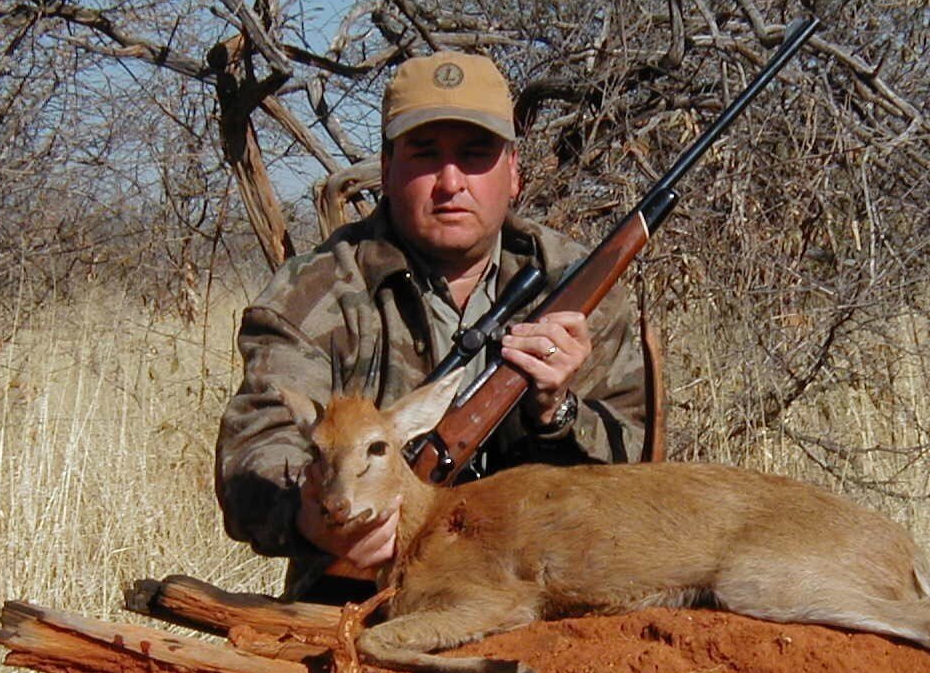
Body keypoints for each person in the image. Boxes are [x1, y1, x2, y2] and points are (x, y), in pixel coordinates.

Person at [215, 51, 647, 602]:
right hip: (367, 599)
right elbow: (255, 450)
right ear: (387, 168)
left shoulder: (578, 286)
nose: (450, 182)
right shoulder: (315, 293)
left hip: (553, 586)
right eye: (425, 155)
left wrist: (556, 412)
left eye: (475, 156)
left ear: (513, 171)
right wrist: (313, 513)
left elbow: (638, 463)